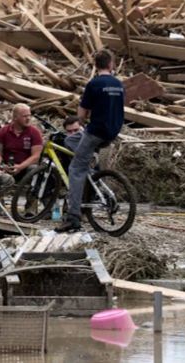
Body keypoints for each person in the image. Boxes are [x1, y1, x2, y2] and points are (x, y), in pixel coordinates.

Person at [57, 50, 125, 233]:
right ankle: (89, 167)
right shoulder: (118, 84)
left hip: (95, 132)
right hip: (112, 132)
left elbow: (80, 115)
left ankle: (73, 217)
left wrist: (84, 119)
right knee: (71, 140)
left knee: (75, 169)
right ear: (111, 64)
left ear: (96, 65)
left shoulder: (94, 84)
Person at [0, 103, 43, 181]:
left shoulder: (34, 132)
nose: (28, 118)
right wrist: (2, 165)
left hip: (25, 168)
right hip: (7, 167)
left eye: (29, 115)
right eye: (25, 116)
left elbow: (36, 156)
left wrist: (20, 167)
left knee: (34, 168)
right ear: (15, 117)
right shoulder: (3, 131)